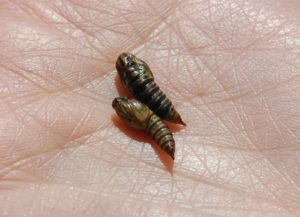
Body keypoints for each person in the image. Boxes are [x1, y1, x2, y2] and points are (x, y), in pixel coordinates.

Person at [0, 0, 299, 216]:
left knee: (162, 123)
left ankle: (168, 130)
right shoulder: (141, 94)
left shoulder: (139, 92)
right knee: (161, 123)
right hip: (158, 114)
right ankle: (167, 130)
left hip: (158, 114)